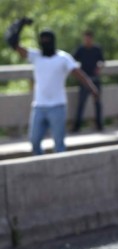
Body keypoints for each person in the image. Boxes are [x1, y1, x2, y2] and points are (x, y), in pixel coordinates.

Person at [5, 19, 98, 155]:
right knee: (34, 141)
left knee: (59, 145)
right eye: (43, 39)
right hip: (39, 107)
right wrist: (19, 26)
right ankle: (40, 164)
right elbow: (14, 45)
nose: (45, 42)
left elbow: (79, 74)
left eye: (48, 39)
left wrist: (92, 89)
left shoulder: (63, 58)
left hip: (58, 106)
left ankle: (60, 171)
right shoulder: (35, 56)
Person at [72, 30, 104, 132]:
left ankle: (99, 125)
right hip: (84, 80)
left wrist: (99, 67)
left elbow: (102, 61)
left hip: (95, 79)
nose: (87, 41)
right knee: (81, 104)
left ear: (92, 39)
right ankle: (77, 127)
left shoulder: (97, 49)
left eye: (88, 39)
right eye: (85, 39)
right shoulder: (80, 49)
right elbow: (72, 60)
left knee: (97, 102)